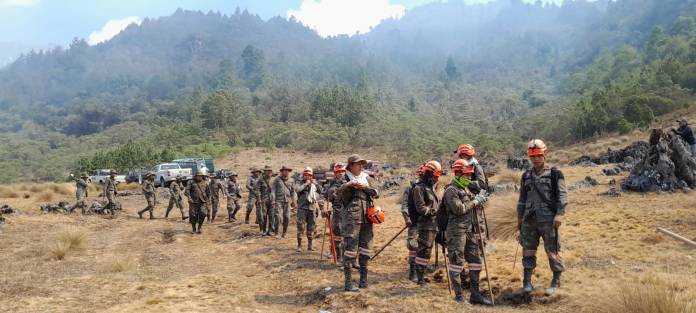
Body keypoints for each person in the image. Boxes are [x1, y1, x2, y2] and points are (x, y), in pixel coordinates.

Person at [517, 139, 568, 296]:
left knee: (552, 251)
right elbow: (522, 199)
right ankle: (527, 282)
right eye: (532, 156)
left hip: (548, 220)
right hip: (529, 220)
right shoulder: (526, 175)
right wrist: (519, 218)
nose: (535, 159)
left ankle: (556, 281)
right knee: (528, 251)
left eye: (538, 155)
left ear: (545, 154)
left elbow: (563, 195)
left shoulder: (555, 173)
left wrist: (559, 214)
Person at [443, 159, 492, 305]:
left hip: (470, 230)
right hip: (456, 231)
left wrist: (481, 200)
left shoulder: (467, 189)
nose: (470, 178)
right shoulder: (451, 190)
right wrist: (475, 201)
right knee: (457, 263)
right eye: (467, 175)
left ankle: (475, 295)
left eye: (470, 175)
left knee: (476, 261)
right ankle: (459, 298)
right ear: (458, 174)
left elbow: (472, 207)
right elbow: (459, 209)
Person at [338, 154, 379, 292]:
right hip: (352, 219)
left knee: (366, 249)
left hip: (367, 218)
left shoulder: (366, 178)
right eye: (358, 164)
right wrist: (348, 185)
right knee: (350, 250)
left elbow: (376, 192)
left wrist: (364, 188)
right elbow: (334, 195)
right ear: (350, 166)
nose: (361, 166)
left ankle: (363, 281)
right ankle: (348, 284)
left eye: (362, 164)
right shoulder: (344, 178)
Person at [411, 161, 442, 287]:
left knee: (427, 252)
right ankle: (420, 279)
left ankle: (422, 275)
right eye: (435, 176)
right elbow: (421, 209)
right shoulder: (418, 189)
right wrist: (435, 211)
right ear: (428, 175)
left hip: (434, 225)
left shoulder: (431, 189)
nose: (437, 179)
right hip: (425, 226)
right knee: (423, 252)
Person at [401, 165, 424, 282]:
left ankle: (420, 271)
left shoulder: (428, 187)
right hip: (414, 222)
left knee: (423, 247)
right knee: (413, 246)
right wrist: (407, 218)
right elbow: (404, 205)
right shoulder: (410, 188)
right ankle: (412, 272)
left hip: (425, 223)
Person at [295, 167, 323, 252]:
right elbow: (297, 189)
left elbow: (321, 191)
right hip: (302, 209)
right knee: (301, 227)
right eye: (306, 175)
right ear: (303, 175)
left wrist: (316, 184)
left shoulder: (314, 184)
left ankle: (310, 246)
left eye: (309, 175)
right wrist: (305, 184)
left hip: (312, 209)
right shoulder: (299, 183)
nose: (307, 177)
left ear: (311, 176)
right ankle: (299, 246)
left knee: (311, 227)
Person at [324, 163, 347, 261]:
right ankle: (337, 255)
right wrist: (330, 192)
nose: (340, 173)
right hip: (337, 211)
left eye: (342, 171)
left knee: (347, 234)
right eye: (338, 172)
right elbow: (326, 196)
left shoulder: (348, 182)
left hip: (348, 211)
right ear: (335, 173)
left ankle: (346, 255)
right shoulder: (331, 184)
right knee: (337, 233)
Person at [272, 166, 296, 237]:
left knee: (287, 217)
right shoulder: (277, 179)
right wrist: (273, 200)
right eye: (285, 170)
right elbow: (273, 190)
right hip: (278, 200)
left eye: (288, 171)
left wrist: (294, 201)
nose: (286, 172)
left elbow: (293, 191)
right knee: (278, 217)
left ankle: (284, 233)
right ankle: (276, 232)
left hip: (287, 201)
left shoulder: (291, 180)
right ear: (281, 171)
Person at [256, 166, 274, 236]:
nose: (269, 172)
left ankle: (270, 231)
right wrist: (259, 199)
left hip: (272, 200)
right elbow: (257, 190)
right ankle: (263, 230)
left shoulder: (273, 179)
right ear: (264, 172)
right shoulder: (260, 179)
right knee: (263, 216)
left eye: (270, 171)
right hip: (263, 200)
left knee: (271, 216)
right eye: (267, 171)